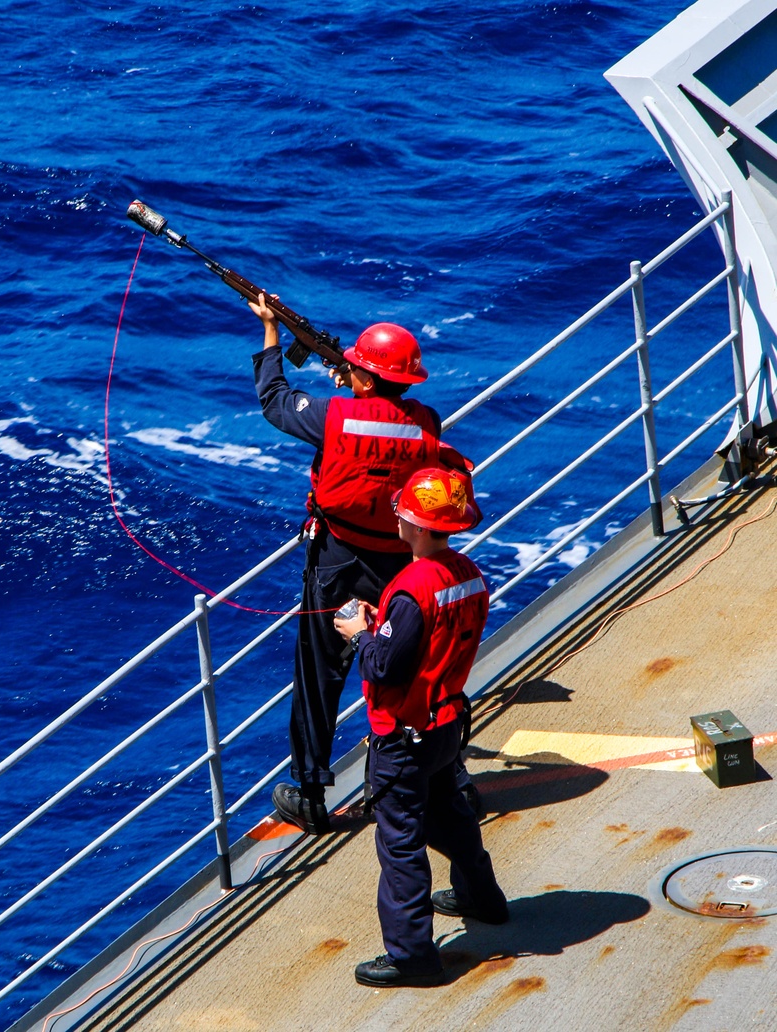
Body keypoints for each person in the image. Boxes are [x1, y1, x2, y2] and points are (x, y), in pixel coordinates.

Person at [249, 292, 472, 835]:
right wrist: (355, 385)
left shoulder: (334, 414)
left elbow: (275, 401)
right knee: (401, 663)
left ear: (365, 377)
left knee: (319, 673)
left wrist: (271, 332)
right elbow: (384, 431)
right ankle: (423, 766)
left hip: (337, 557)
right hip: (399, 560)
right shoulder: (426, 423)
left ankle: (308, 791)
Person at [333, 466, 508, 988]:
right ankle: (482, 897)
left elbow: (384, 666)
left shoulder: (411, 589)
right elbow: (429, 640)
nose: (399, 518)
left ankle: (413, 955)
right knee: (448, 813)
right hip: (446, 723)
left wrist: (359, 634)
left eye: (405, 513)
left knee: (400, 840)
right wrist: (381, 628)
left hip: (404, 734)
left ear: (416, 525)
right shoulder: (470, 574)